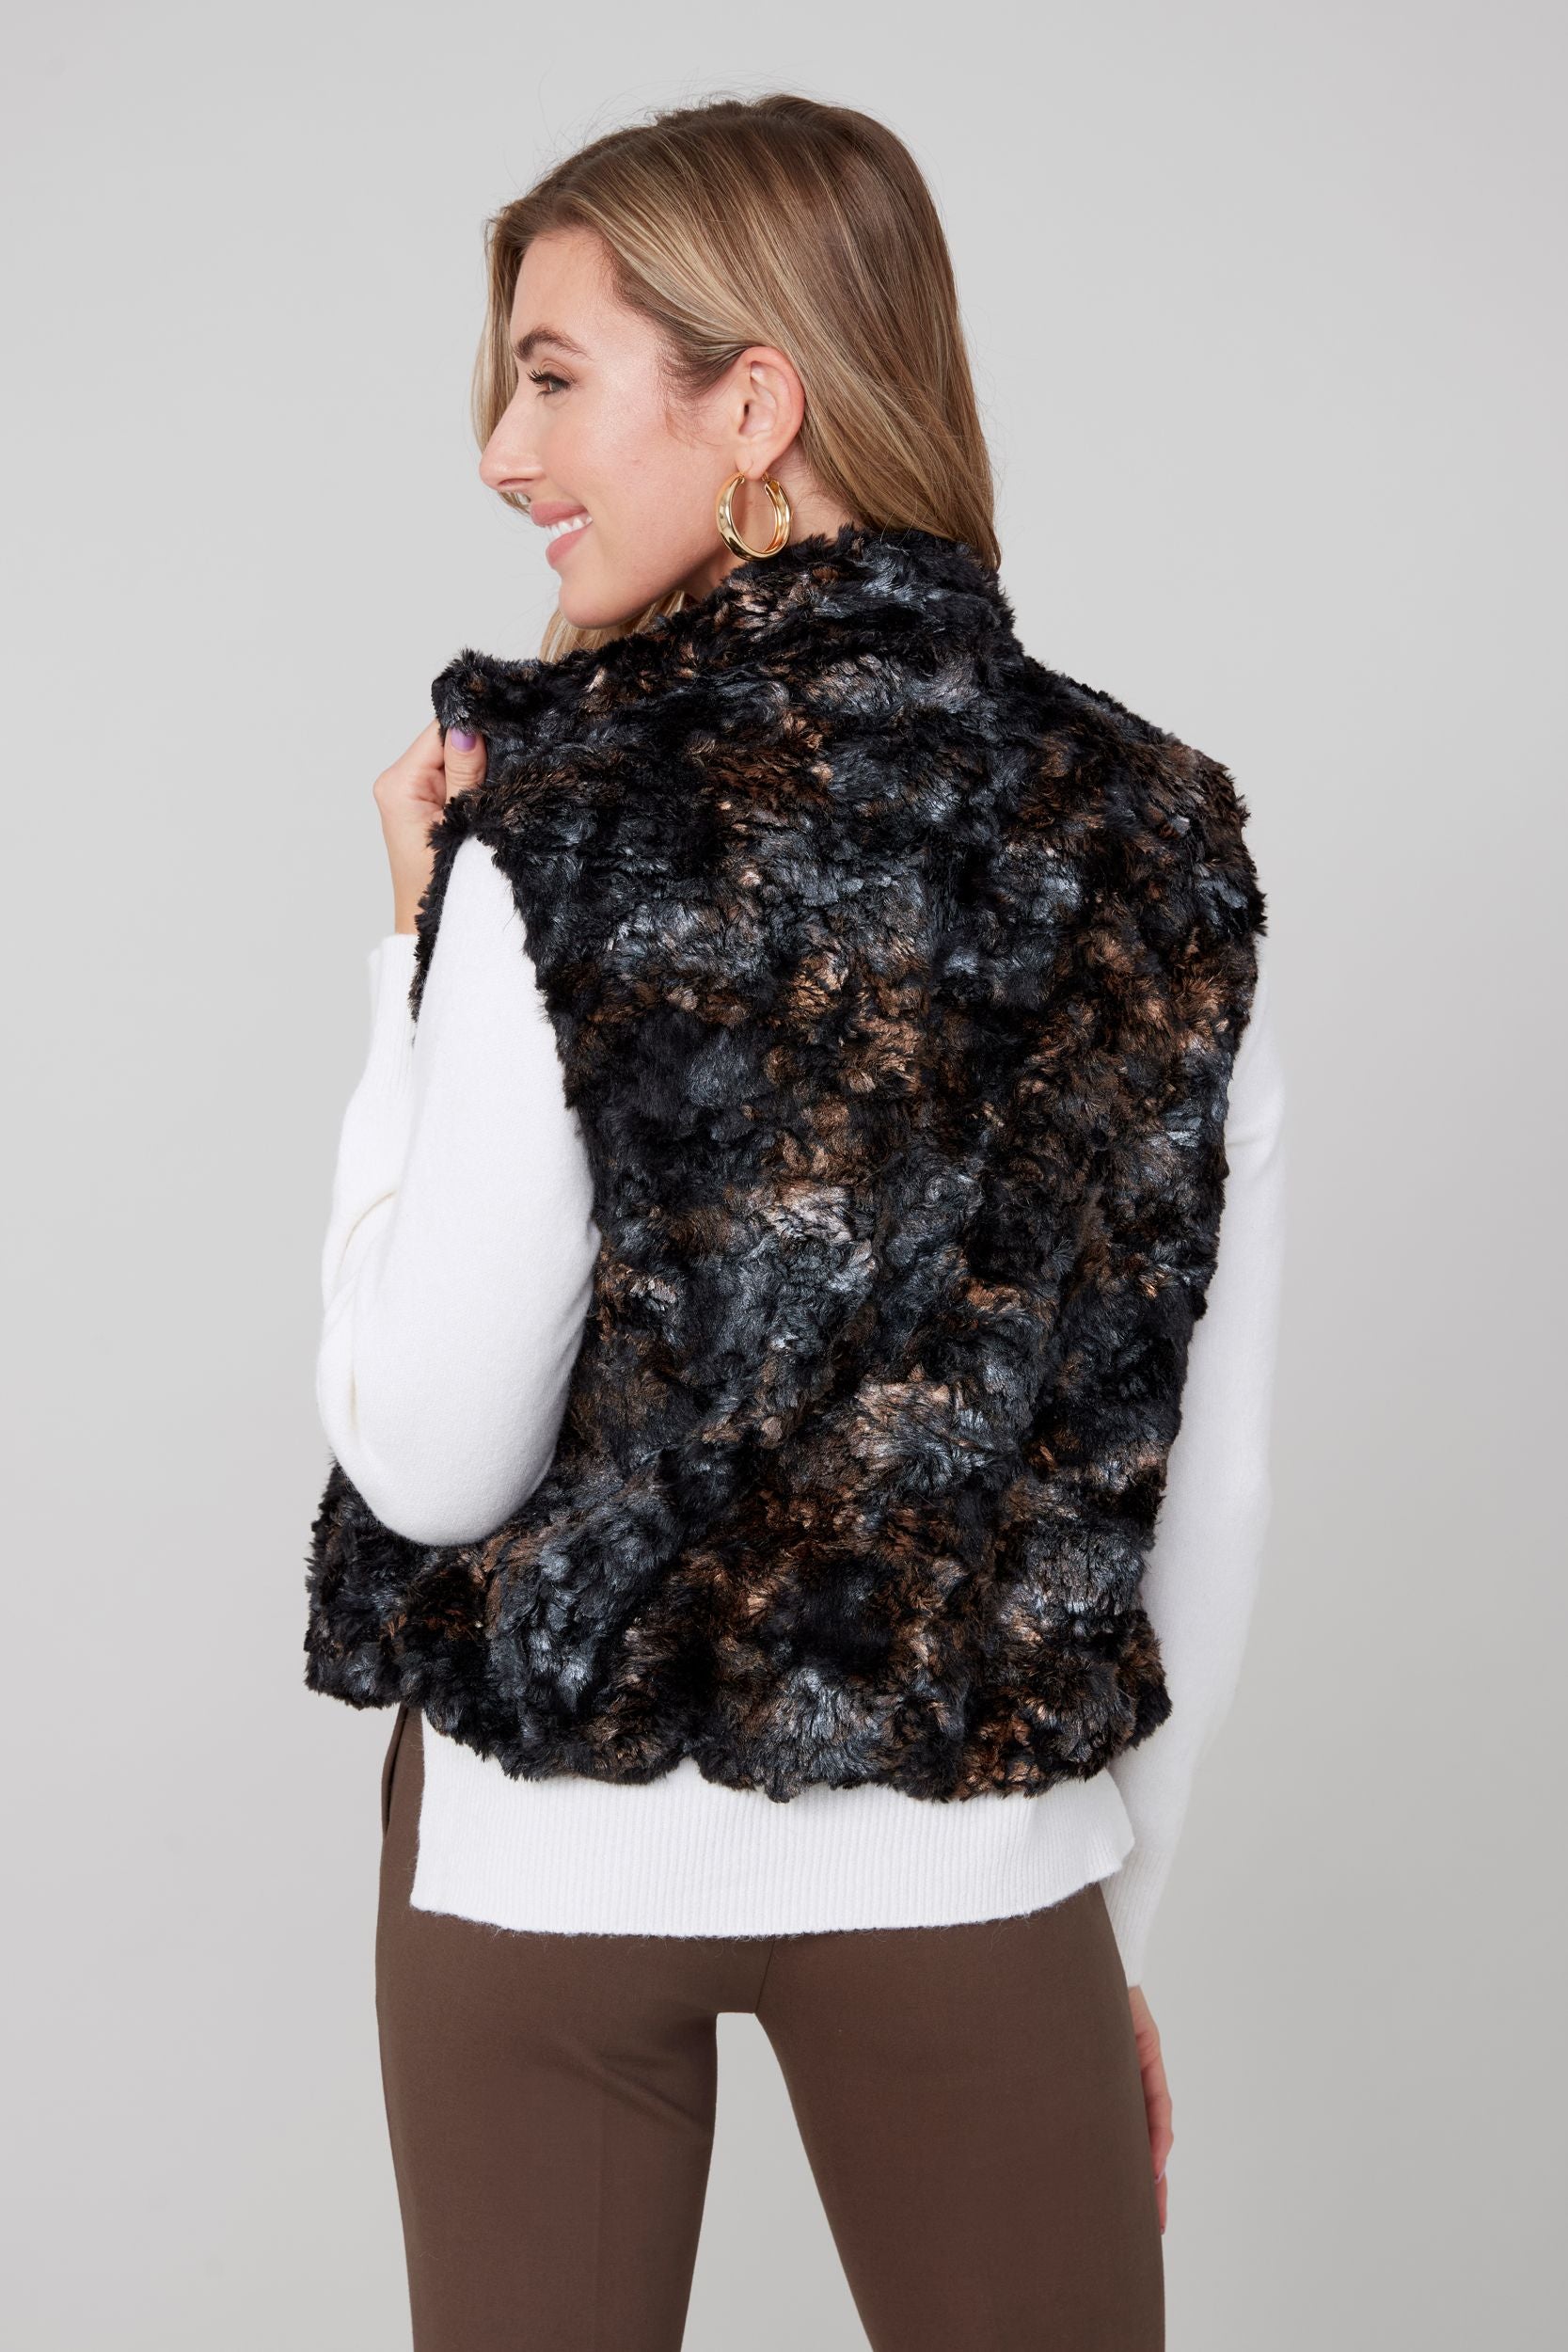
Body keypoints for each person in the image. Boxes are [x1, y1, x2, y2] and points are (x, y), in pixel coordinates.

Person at [305, 92, 1286, 2352]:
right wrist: (1102, 1916)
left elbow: (431, 1454)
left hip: (541, 1861)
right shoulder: (1157, 829)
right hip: (975, 1856)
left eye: (552, 376)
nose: (499, 450)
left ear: (756, 406)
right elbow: (1202, 1474)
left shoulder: (563, 813)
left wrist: (415, 967)